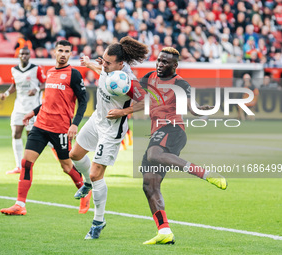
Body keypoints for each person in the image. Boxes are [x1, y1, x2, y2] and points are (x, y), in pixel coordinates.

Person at [139, 47, 227, 245]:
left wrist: (200, 109)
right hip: (157, 132)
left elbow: (190, 106)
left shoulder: (180, 83)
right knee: (149, 185)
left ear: (175, 65)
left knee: (153, 153)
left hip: (173, 130)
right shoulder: (149, 77)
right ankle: (164, 231)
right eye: (159, 60)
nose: (160, 64)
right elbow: (133, 89)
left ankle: (203, 172)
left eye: (165, 62)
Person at [69, 36, 149, 239]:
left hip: (112, 130)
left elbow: (146, 101)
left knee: (97, 174)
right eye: (102, 60)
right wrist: (89, 64)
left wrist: (123, 112)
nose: (103, 64)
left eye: (107, 62)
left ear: (121, 64)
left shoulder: (129, 82)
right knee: (75, 155)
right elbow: (102, 72)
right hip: (97, 119)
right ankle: (86, 183)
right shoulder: (108, 68)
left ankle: (98, 221)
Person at [0, 40, 90, 216]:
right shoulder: (49, 73)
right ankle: (20, 204)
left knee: (66, 166)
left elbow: (84, 101)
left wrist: (74, 124)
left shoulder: (74, 74)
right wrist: (32, 113)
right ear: (54, 52)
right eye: (60, 51)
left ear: (70, 54)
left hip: (61, 129)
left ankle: (84, 189)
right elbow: (47, 102)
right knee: (26, 163)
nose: (63, 54)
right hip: (40, 125)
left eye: (67, 51)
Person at [0, 47, 45, 174]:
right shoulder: (14, 70)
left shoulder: (36, 69)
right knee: (15, 133)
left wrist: (36, 89)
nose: (24, 56)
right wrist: (6, 94)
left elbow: (45, 83)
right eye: (22, 54)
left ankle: (28, 165)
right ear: (18, 56)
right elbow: (14, 85)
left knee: (30, 136)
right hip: (19, 107)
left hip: (32, 107)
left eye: (26, 54)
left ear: (30, 56)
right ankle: (19, 166)